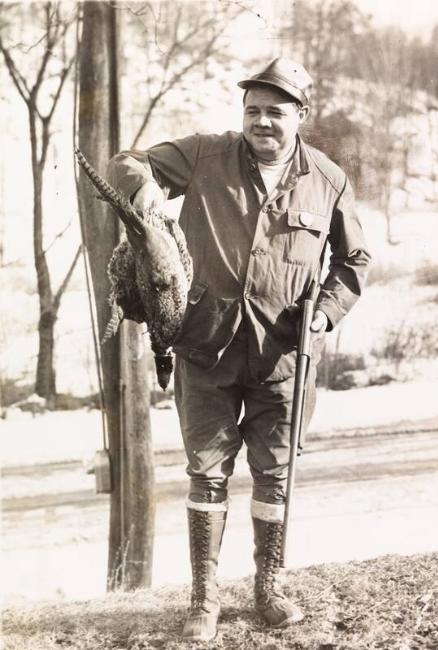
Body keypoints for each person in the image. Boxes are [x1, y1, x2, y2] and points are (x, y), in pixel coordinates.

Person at [107, 57, 370, 642]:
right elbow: (125, 162)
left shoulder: (328, 180)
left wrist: (324, 313)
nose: (262, 123)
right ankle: (204, 599)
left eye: (276, 113)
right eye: (252, 111)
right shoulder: (204, 155)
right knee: (206, 473)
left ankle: (268, 589)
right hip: (205, 345)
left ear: (302, 115)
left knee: (274, 475)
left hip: (284, 356)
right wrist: (145, 186)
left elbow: (353, 263)